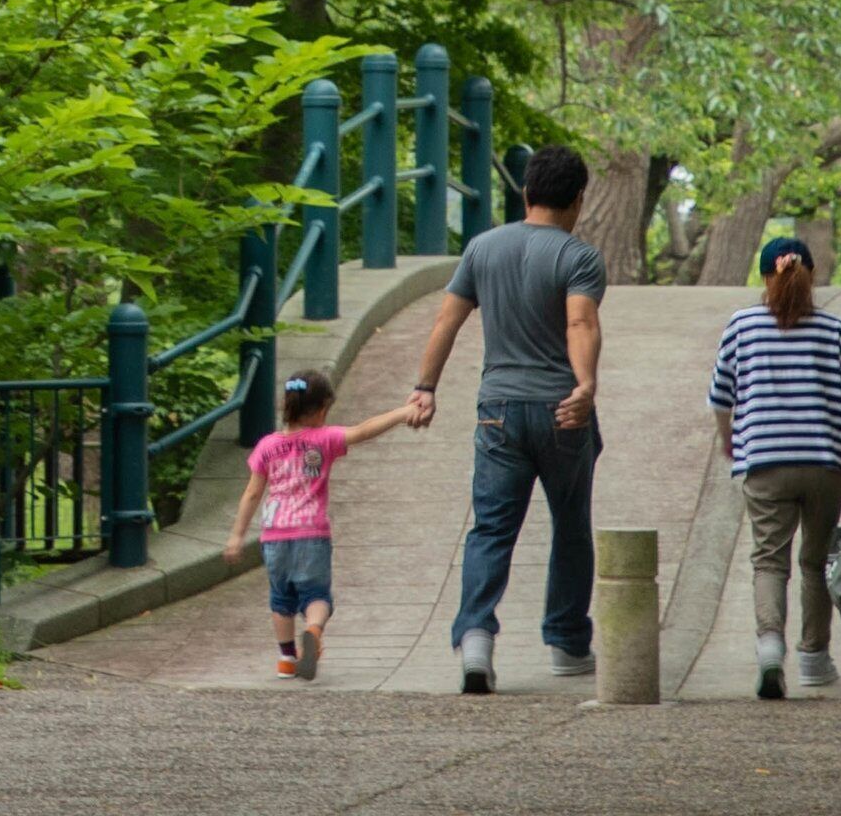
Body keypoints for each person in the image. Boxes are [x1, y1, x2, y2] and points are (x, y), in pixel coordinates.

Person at [401, 145, 606, 693]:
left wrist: (425, 388)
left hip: (498, 413)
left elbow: (447, 321)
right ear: (578, 199)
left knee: (491, 528)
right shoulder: (579, 257)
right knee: (570, 524)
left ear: (526, 192)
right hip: (562, 409)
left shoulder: (482, 248)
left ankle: (475, 640)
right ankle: (567, 642)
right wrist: (585, 385)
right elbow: (580, 323)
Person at [707, 235, 841, 700]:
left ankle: (770, 647)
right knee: (816, 559)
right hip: (824, 463)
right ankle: (814, 658)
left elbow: (721, 396)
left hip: (765, 462)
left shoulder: (742, 325)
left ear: (766, 277)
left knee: (770, 559)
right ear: (811, 277)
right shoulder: (834, 329)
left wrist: (729, 441)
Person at [221, 367, 415, 679]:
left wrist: (236, 536)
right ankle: (313, 630)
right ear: (322, 408)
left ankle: (286, 659)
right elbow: (363, 430)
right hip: (311, 533)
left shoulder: (267, 446)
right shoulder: (323, 440)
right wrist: (402, 414)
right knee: (316, 596)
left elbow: (252, 493)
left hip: (274, 537)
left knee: (281, 599)